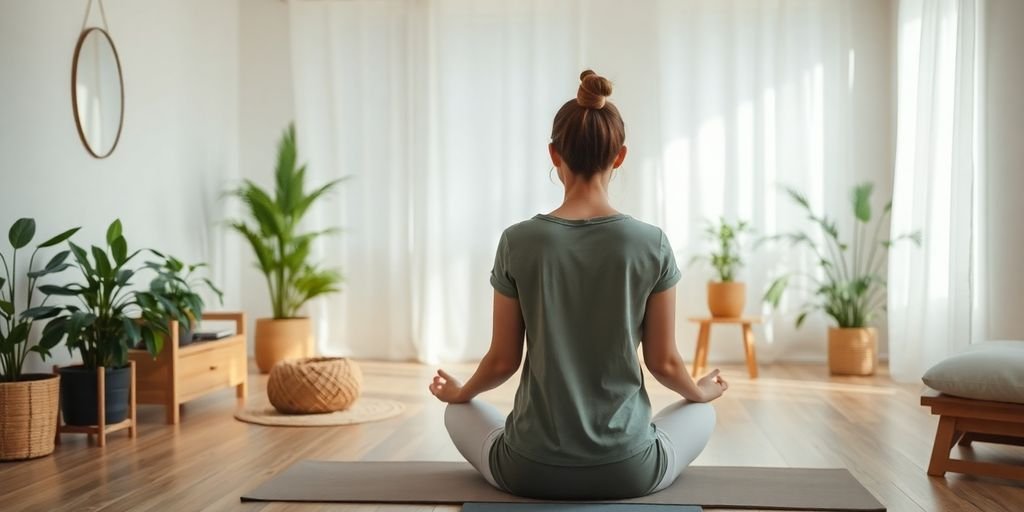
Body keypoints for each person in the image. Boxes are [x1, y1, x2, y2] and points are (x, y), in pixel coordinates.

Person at [427, 70, 728, 500]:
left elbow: (501, 361)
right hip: (628, 471)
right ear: (620, 156)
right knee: (703, 414)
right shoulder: (651, 243)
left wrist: (461, 392)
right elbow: (663, 362)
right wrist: (700, 390)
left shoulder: (518, 240)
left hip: (527, 471)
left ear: (554, 154)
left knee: (458, 413)